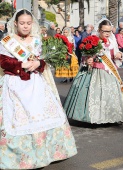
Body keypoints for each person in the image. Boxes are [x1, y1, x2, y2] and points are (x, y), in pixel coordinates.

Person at [0, 9, 77, 169]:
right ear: (15, 23)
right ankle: (21, 156)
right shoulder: (8, 41)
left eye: (28, 23)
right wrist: (21, 64)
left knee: (42, 114)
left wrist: (38, 64)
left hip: (36, 83)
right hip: (15, 84)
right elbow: (4, 61)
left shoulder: (37, 41)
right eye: (22, 23)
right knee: (17, 118)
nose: (26, 26)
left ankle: (49, 152)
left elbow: (44, 61)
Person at [64, 19, 123, 124]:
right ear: (99, 30)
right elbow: (84, 56)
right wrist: (87, 59)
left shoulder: (112, 42)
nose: (107, 33)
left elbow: (115, 54)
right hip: (93, 70)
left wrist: (119, 55)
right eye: (105, 31)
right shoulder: (93, 40)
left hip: (108, 71)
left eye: (110, 31)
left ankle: (110, 116)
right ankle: (90, 116)